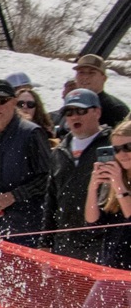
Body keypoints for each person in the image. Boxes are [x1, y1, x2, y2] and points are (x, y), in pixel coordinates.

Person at [44, 88, 112, 261]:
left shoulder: (113, 145)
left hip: (102, 243)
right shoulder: (59, 151)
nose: (74, 117)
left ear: (97, 112)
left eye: (81, 111)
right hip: (65, 245)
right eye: (69, 112)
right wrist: (45, 242)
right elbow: (51, 198)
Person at [0, 77, 50, 243]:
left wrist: (14, 196)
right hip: (0, 227)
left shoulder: (31, 133)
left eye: (2, 101)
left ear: (13, 102)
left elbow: (49, 178)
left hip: (32, 227)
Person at [85, 120, 131, 269]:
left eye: (128, 147)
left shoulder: (117, 181)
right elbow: (93, 225)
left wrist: (119, 185)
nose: (122, 154)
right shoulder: (114, 178)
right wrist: (92, 188)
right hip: (112, 267)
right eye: (116, 149)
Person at [70, 54, 129, 128]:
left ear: (104, 78)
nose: (85, 77)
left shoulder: (115, 109)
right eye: (81, 72)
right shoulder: (71, 104)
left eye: (92, 73)